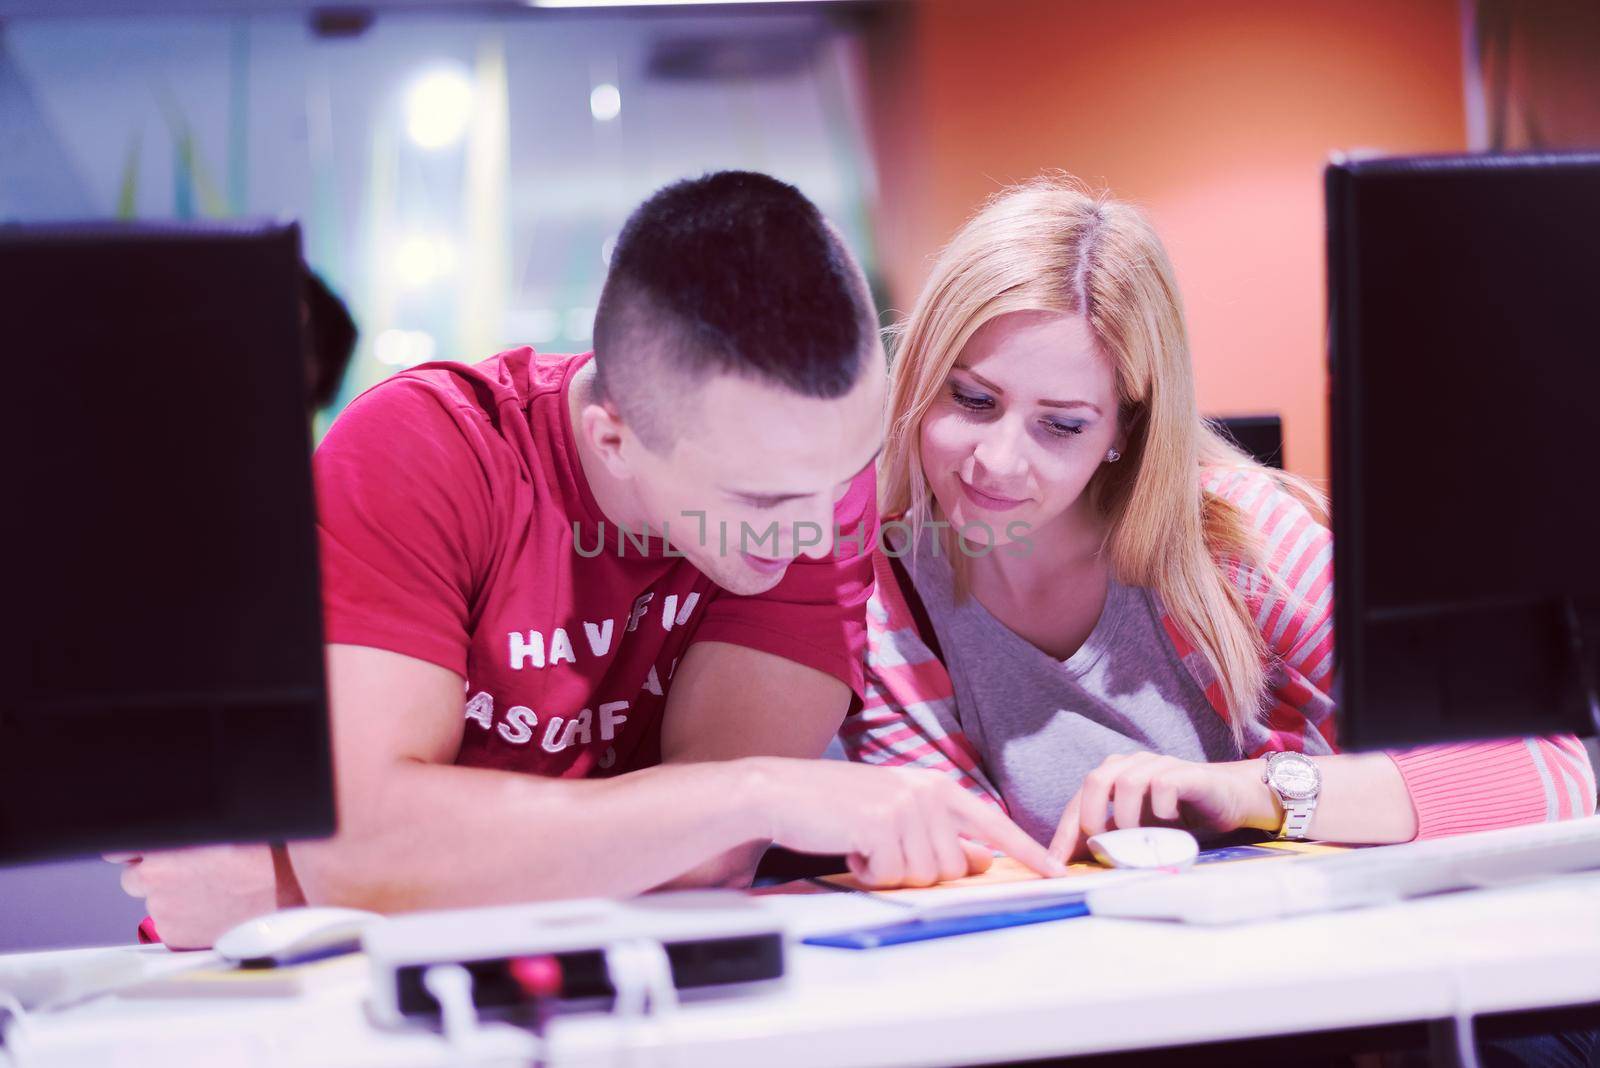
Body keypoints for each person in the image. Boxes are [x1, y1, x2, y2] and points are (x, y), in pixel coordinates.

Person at [112, 171, 1059, 948]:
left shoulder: (807, 478)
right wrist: (763, 793)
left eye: (846, 473)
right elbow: (368, 852)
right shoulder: (423, 452)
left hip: (584, 976)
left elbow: (711, 860)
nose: (821, 531)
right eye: (762, 502)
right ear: (612, 440)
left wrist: (302, 887)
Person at [843, 174, 1596, 858]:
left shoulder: (1239, 542)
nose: (996, 461)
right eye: (972, 400)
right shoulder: (881, 605)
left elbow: (1551, 774)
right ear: (916, 380)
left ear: (1124, 432)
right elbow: (970, 872)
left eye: (1062, 425)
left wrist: (1251, 793)